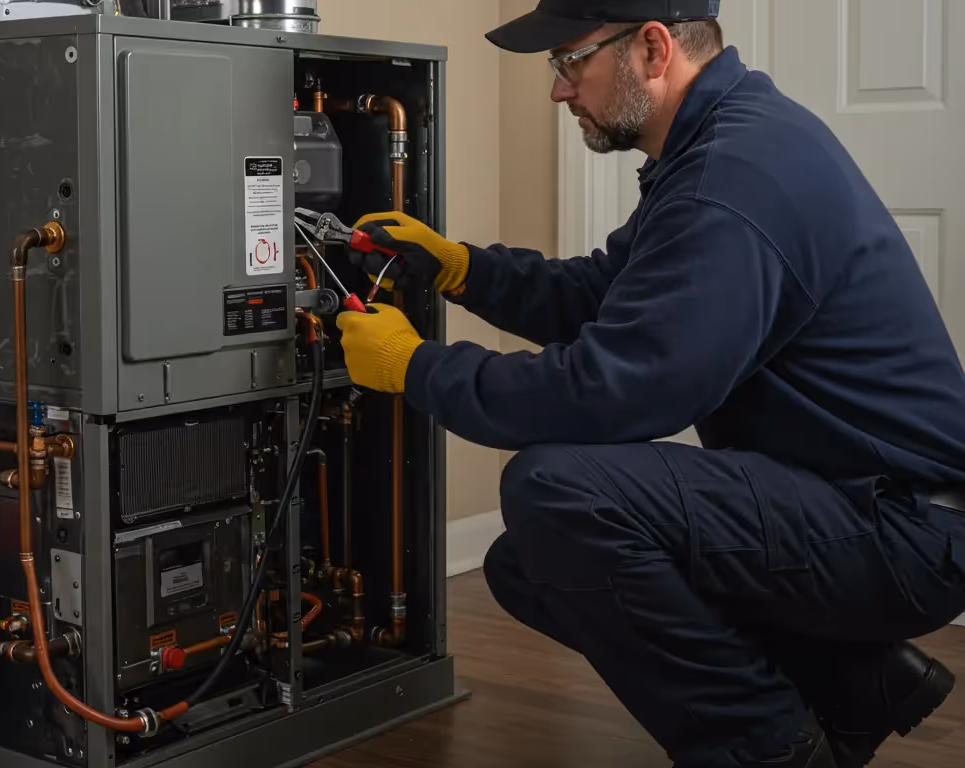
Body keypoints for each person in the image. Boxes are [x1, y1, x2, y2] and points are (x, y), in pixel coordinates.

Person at [333, 1, 965, 767]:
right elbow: (607, 293)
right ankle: (857, 681)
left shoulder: (732, 178)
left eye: (571, 60)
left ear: (653, 49)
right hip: (851, 496)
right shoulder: (719, 140)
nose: (560, 90)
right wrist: (465, 268)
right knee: (527, 566)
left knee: (557, 490)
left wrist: (416, 367)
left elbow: (620, 392)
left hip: (900, 529)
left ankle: (768, 752)